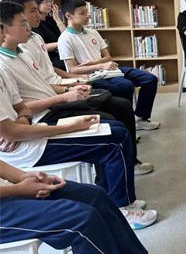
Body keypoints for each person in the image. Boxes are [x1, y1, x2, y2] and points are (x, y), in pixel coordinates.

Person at [0, 41, 157, 229]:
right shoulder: (4, 64)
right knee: (115, 140)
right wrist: (71, 127)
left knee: (116, 129)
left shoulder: (12, 61)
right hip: (27, 149)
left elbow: (22, 110)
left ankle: (116, 200)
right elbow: (13, 133)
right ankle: (121, 208)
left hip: (32, 131)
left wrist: (21, 120)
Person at [4, 0, 152, 175]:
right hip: (49, 109)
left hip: (59, 92)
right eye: (31, 12)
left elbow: (45, 77)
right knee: (117, 103)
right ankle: (119, 162)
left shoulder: (29, 45)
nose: (38, 15)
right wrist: (69, 89)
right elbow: (20, 109)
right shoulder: (12, 57)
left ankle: (129, 155)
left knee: (125, 99)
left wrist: (72, 84)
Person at [0, 159, 186, 254]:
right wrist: (20, 189)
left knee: (95, 196)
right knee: (81, 219)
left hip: (8, 189)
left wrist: (24, 177)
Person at [57, 0, 160, 131]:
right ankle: (124, 125)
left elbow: (107, 57)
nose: (88, 16)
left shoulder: (92, 32)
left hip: (108, 70)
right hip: (91, 76)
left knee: (150, 79)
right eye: (82, 13)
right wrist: (99, 65)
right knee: (125, 86)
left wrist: (96, 62)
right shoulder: (65, 39)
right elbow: (73, 70)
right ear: (68, 16)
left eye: (87, 12)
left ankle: (139, 118)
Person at [29, 0, 67, 71]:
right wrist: (60, 43)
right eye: (45, 2)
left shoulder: (51, 19)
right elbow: (41, 47)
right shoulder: (34, 24)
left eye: (50, 1)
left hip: (60, 53)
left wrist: (57, 19)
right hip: (48, 57)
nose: (49, 4)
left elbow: (67, 36)